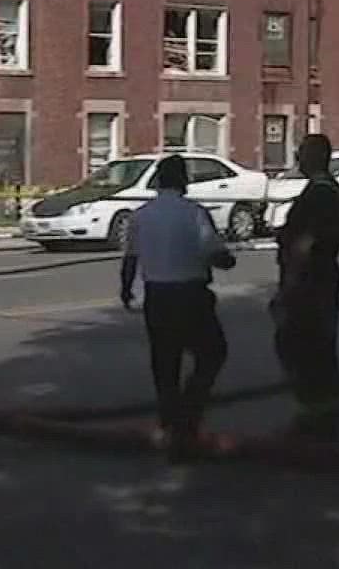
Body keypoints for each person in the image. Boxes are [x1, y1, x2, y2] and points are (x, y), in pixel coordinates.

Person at [119, 154, 236, 458]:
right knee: (211, 354)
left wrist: (126, 290)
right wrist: (227, 258)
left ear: (158, 182)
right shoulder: (194, 213)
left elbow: (130, 258)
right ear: (183, 180)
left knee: (165, 364)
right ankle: (187, 416)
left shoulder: (140, 215)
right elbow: (215, 252)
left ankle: (170, 425)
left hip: (157, 296)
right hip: (191, 294)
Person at [274, 132, 339, 442]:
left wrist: (289, 286)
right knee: (317, 349)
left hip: (309, 283)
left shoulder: (319, 194)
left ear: (316, 157)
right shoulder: (332, 191)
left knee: (302, 349)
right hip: (322, 279)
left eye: (302, 153)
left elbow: (307, 241)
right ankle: (325, 416)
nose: (297, 159)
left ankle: (314, 419)